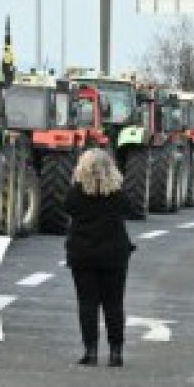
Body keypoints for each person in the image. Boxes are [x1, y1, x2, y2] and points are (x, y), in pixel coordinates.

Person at [65, 149, 136, 367]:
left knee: (87, 304)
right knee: (114, 304)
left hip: (83, 254)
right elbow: (129, 210)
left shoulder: (75, 193)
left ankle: (91, 351)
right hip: (114, 255)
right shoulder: (118, 193)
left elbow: (67, 209)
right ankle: (116, 352)